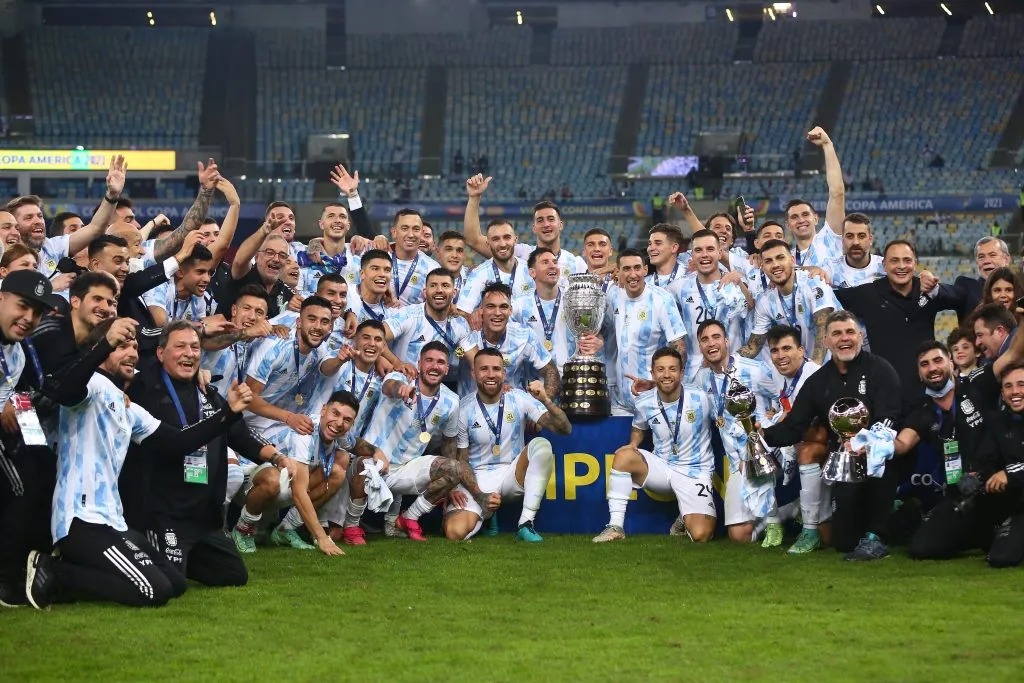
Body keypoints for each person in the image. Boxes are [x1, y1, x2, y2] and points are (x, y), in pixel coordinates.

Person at [25, 317, 254, 610]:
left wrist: (230, 413)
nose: (132, 352)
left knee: (175, 584)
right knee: (152, 591)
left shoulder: (127, 406)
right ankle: (55, 573)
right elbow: (65, 390)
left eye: (134, 346)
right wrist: (103, 345)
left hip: (114, 521)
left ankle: (69, 572)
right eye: (121, 346)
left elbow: (179, 442)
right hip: (82, 520)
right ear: (101, 349)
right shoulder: (90, 384)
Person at [119, 321, 285, 588]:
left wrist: (277, 458)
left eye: (195, 347)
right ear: (160, 353)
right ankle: (147, 552)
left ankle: (177, 558)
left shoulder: (207, 391)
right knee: (170, 583)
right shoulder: (143, 390)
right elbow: (177, 442)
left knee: (234, 575)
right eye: (180, 346)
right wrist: (227, 414)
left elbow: (239, 434)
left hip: (202, 518)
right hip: (163, 513)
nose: (190, 353)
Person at [762, 311, 902, 561]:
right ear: (826, 341)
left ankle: (876, 537)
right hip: (846, 463)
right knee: (844, 543)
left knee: (884, 460)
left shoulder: (881, 369)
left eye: (850, 332)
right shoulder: (818, 382)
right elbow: (795, 426)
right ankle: (902, 516)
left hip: (880, 456)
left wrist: (866, 444)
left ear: (860, 336)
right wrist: (760, 437)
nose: (844, 339)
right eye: (836, 333)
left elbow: (890, 416)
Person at [346, 342, 493, 543]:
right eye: (429, 360)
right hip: (374, 460)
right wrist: (402, 390)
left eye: (441, 362)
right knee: (363, 466)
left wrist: (451, 486)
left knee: (455, 469)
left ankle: (409, 517)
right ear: (420, 363)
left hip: (407, 469)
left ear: (447, 369)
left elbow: (450, 442)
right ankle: (351, 526)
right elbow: (389, 387)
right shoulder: (401, 377)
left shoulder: (451, 401)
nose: (435, 366)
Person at [444, 348, 571, 541]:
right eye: (484, 369)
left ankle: (525, 523)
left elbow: (564, 429)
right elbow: (461, 460)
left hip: (512, 474)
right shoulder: (463, 408)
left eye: (496, 369)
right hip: (477, 478)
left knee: (542, 445)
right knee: (454, 532)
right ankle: (487, 517)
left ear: (504, 373)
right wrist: (480, 496)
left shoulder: (519, 398)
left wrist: (545, 399)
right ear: (473, 373)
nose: (490, 374)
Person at [594, 347, 717, 543]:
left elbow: (724, 415)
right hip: (662, 468)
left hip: (695, 471)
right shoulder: (644, 402)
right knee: (624, 455)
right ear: (652, 373)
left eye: (672, 369)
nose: (666, 375)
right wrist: (633, 443)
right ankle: (615, 526)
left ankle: (683, 520)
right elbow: (638, 426)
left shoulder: (701, 398)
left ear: (681, 372)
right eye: (660, 369)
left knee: (702, 535)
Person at [910, 360, 1024, 567]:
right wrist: (975, 476)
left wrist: (1010, 473)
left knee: (1002, 558)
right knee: (923, 547)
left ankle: (1005, 537)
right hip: (1002, 503)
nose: (1015, 391)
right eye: (1008, 386)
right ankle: (985, 534)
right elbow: (986, 459)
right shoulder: (998, 422)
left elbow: (1008, 472)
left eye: (1021, 384)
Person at [835, 240, 959, 408]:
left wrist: (936, 289)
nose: (901, 266)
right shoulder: (869, 294)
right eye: (894, 261)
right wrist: (815, 273)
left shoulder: (927, 289)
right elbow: (830, 296)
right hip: (885, 394)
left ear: (915, 264)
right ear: (884, 265)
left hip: (927, 394)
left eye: (907, 260)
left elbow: (960, 296)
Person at [0, 271, 62, 606]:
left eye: (36, 313)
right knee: (19, 486)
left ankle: (34, 567)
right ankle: (7, 581)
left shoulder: (18, 352)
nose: (28, 319)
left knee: (44, 468)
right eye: (22, 306)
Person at [692, 320, 776, 544]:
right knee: (739, 538)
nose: (711, 343)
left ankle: (777, 517)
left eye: (716, 337)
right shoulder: (701, 379)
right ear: (700, 347)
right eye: (705, 339)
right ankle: (786, 513)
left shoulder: (754, 370)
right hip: (736, 465)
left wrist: (774, 415)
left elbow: (782, 396)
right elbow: (685, 400)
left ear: (727, 341)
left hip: (762, 457)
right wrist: (654, 386)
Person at [264, 391, 374, 556]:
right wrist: (321, 537)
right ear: (323, 410)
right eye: (335, 413)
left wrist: (377, 452)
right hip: (267, 483)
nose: (338, 423)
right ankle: (244, 528)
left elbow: (354, 444)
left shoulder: (338, 431)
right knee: (307, 480)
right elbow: (298, 492)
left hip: (290, 484)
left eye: (347, 420)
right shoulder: (305, 432)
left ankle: (285, 529)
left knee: (339, 466)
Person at [764, 325, 829, 554]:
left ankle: (810, 527)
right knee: (755, 452)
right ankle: (773, 523)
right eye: (775, 350)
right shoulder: (775, 374)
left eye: (787, 348)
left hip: (822, 446)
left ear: (801, 351)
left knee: (830, 538)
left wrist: (784, 422)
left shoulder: (815, 374)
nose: (781, 356)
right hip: (794, 438)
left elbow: (817, 425)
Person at [610, 249, 687, 414]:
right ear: (618, 272)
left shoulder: (662, 299)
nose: (633, 274)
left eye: (637, 268)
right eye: (626, 269)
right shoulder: (613, 294)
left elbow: (679, 347)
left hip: (653, 397)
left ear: (645, 270)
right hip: (621, 402)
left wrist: (663, 385)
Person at [739, 239, 838, 365]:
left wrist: (814, 367)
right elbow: (752, 348)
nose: (775, 265)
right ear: (762, 267)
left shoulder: (813, 281)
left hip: (833, 364)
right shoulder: (765, 300)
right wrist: (727, 360)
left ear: (792, 260)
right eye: (768, 261)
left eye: (780, 258)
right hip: (801, 370)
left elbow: (824, 326)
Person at [458, 282, 559, 399]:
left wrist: (543, 407)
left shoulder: (524, 335)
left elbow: (551, 370)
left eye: (503, 307)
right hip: (472, 411)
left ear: (510, 310)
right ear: (481, 310)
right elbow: (456, 352)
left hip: (513, 410)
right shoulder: (467, 333)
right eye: (491, 306)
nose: (497, 313)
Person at [675, 230, 752, 380]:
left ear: (719, 252)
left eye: (710, 249)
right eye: (698, 250)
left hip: (734, 374)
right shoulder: (678, 288)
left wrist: (740, 282)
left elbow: (751, 307)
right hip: (695, 378)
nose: (704, 254)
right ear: (692, 255)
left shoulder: (736, 283)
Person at [783, 127, 846, 268]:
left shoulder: (830, 238)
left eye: (805, 214)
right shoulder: (787, 260)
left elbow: (837, 192)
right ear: (787, 226)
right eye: (794, 217)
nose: (801, 220)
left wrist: (827, 145)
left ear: (816, 218)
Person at [948, 237, 1012, 324]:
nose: (986, 261)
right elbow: (944, 293)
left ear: (1006, 260)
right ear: (977, 262)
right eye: (981, 257)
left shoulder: (1019, 291)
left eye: (992, 255)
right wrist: (933, 287)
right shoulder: (966, 287)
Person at [389, 209, 441, 306]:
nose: (410, 235)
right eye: (405, 228)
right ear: (394, 232)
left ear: (421, 233)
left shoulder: (433, 268)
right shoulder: (379, 255)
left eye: (416, 229)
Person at [821, 213, 885, 290]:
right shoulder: (829, 267)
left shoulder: (885, 266)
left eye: (861, 236)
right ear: (842, 240)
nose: (855, 242)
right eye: (849, 236)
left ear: (870, 239)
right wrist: (811, 268)